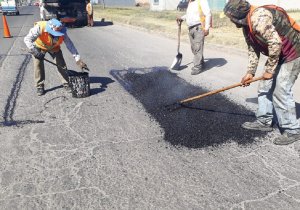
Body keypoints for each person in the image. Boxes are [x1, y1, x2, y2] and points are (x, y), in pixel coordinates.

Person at [224, 0, 300, 145]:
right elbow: (253, 48)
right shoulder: (246, 24)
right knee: (264, 86)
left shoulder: (259, 19)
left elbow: (275, 43)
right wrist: (250, 72)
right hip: (278, 53)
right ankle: (264, 121)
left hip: (294, 52)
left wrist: (270, 70)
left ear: (238, 16)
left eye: (232, 19)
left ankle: (292, 130)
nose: (232, 22)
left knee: (281, 89)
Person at [24, 18, 88, 96]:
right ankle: (39, 86)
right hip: (40, 46)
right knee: (38, 65)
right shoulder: (40, 27)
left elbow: (69, 44)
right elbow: (27, 39)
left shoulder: (62, 31)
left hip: (54, 47)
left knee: (61, 64)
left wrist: (78, 59)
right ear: (50, 29)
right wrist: (34, 51)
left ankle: (66, 83)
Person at [176, 0, 212, 75]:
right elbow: (190, 15)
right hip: (190, 28)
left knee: (198, 47)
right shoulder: (190, 2)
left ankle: (197, 66)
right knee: (194, 48)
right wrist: (182, 18)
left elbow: (208, 14)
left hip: (199, 27)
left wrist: (207, 28)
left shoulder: (202, 1)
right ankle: (201, 62)